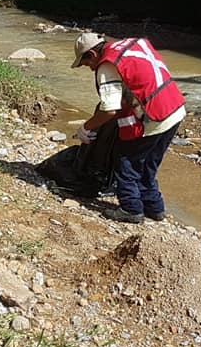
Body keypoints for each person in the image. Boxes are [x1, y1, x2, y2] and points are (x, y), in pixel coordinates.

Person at [71, 32, 186, 223]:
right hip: (174, 111)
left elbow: (109, 110)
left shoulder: (107, 67)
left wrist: (86, 128)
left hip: (152, 118)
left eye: (86, 64)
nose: (90, 69)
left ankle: (131, 210)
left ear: (91, 55)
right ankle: (155, 209)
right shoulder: (130, 46)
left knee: (126, 163)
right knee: (149, 164)